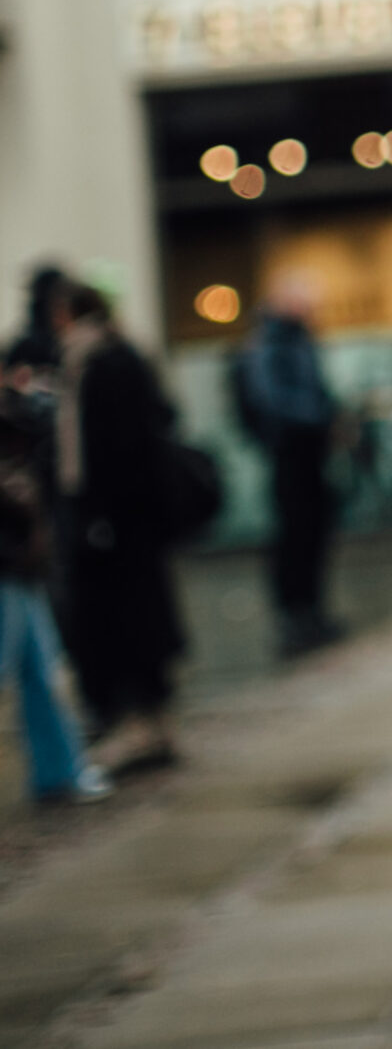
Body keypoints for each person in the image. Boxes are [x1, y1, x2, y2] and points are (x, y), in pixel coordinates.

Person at [52, 281, 187, 777]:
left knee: (123, 622)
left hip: (117, 520)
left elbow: (110, 446)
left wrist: (98, 514)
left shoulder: (97, 362)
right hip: (133, 520)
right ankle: (152, 722)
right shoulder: (119, 354)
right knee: (140, 618)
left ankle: (140, 725)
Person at [0, 354, 111, 805]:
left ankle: (59, 771)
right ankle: (60, 771)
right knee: (28, 668)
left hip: (19, 562)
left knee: (39, 671)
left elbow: (35, 438)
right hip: (9, 561)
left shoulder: (15, 411)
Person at [232, 277, 342, 656]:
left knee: (313, 530)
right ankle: (295, 614)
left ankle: (312, 609)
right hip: (290, 450)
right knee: (294, 532)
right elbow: (272, 397)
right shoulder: (270, 341)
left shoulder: (298, 339)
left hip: (309, 450)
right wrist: (316, 418)